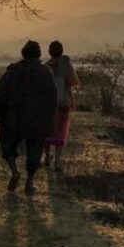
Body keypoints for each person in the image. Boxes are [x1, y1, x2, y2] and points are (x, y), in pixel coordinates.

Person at [0, 40, 58, 195]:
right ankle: (29, 182)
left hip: (14, 119)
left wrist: (2, 114)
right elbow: (53, 98)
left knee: (7, 143)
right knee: (34, 151)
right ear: (38, 55)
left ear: (23, 53)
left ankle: (15, 171)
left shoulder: (14, 70)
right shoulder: (45, 72)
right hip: (37, 120)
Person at [44, 40, 80, 172]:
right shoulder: (66, 65)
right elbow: (70, 85)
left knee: (48, 130)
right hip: (63, 103)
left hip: (48, 104)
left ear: (49, 52)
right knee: (61, 131)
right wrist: (72, 101)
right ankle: (58, 162)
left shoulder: (46, 66)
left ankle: (47, 157)